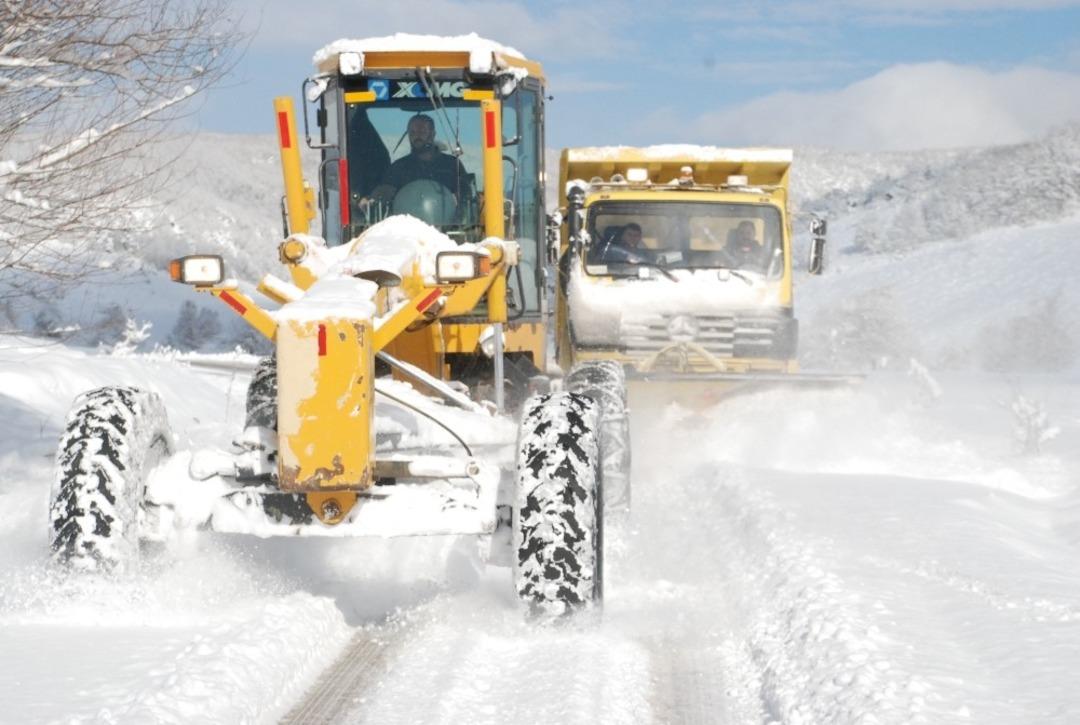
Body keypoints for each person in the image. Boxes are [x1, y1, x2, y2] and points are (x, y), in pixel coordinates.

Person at [367, 114, 468, 204]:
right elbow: (383, 193)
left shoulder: (452, 165)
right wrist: (370, 200)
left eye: (422, 132)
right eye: (412, 132)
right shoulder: (398, 167)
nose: (417, 136)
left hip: (450, 224)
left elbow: (466, 197)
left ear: (433, 134)